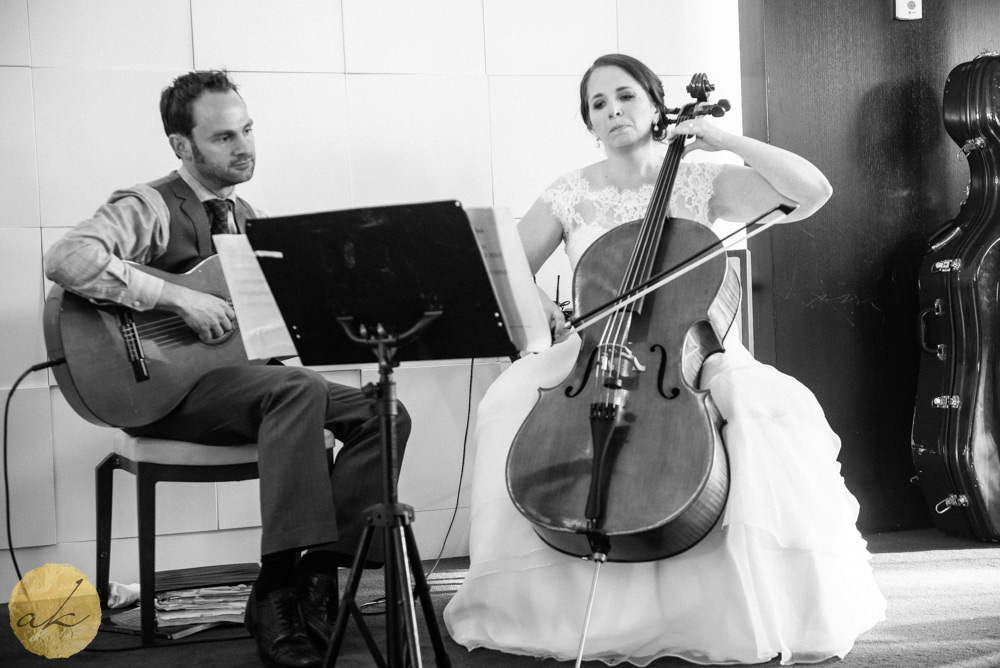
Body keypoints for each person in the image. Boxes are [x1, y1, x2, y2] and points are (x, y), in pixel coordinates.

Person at [443, 54, 886, 666]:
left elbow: (813, 192)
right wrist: (545, 305)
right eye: (598, 105)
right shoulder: (571, 191)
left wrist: (720, 138)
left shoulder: (701, 179)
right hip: (594, 350)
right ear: (589, 124)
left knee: (768, 407)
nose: (613, 110)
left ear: (655, 105)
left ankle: (734, 600)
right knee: (506, 403)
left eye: (625, 96)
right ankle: (547, 600)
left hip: (690, 351)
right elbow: (503, 271)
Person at [44, 70, 410, 668]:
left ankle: (315, 576)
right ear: (182, 146)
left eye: (247, 130)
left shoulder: (253, 220)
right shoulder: (150, 205)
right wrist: (177, 299)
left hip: (248, 387)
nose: (244, 147)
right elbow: (69, 258)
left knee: (383, 410)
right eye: (223, 138)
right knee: (293, 390)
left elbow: (268, 340)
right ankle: (273, 590)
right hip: (165, 394)